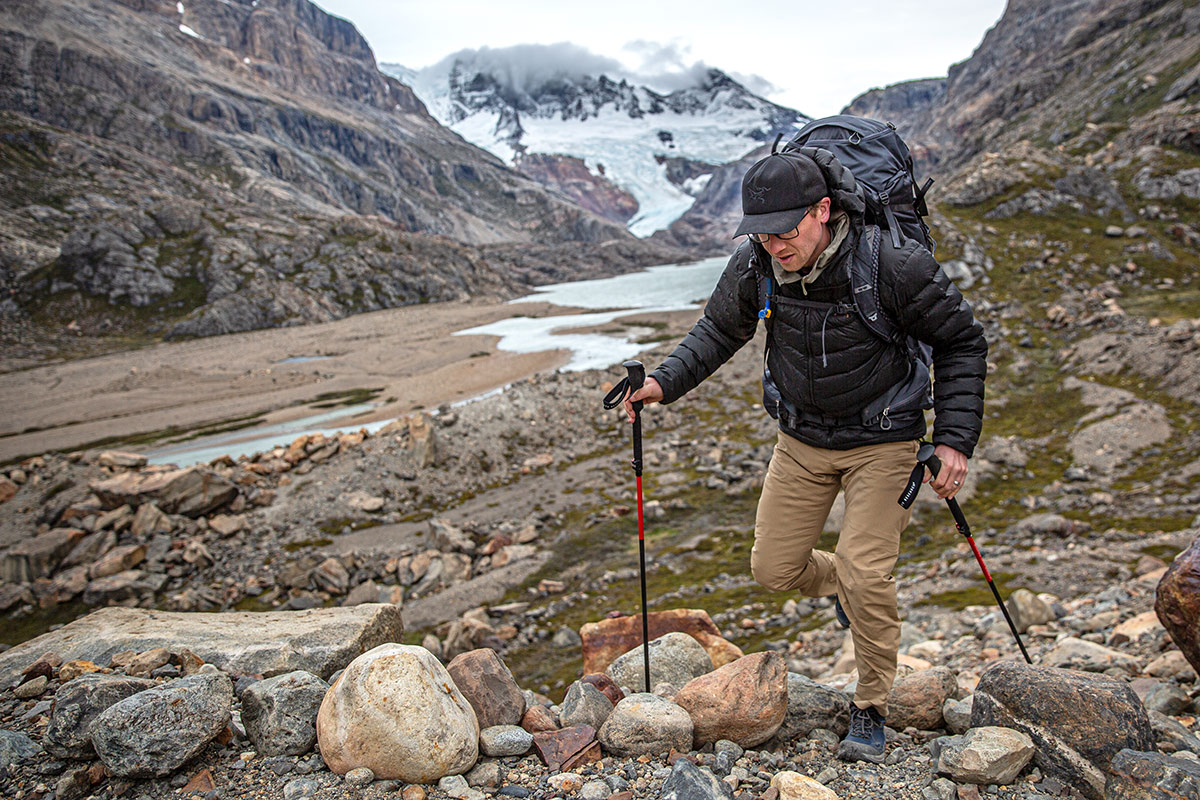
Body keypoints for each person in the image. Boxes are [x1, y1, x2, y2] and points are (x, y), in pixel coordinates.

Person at [623, 147, 987, 763]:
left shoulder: (892, 264)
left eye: (785, 232)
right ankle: (847, 590)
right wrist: (661, 383)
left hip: (884, 440)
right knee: (774, 570)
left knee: (866, 568)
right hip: (802, 442)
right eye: (760, 234)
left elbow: (961, 341)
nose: (773, 245)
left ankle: (870, 708)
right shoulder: (757, 263)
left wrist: (953, 439)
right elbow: (718, 331)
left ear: (823, 210)